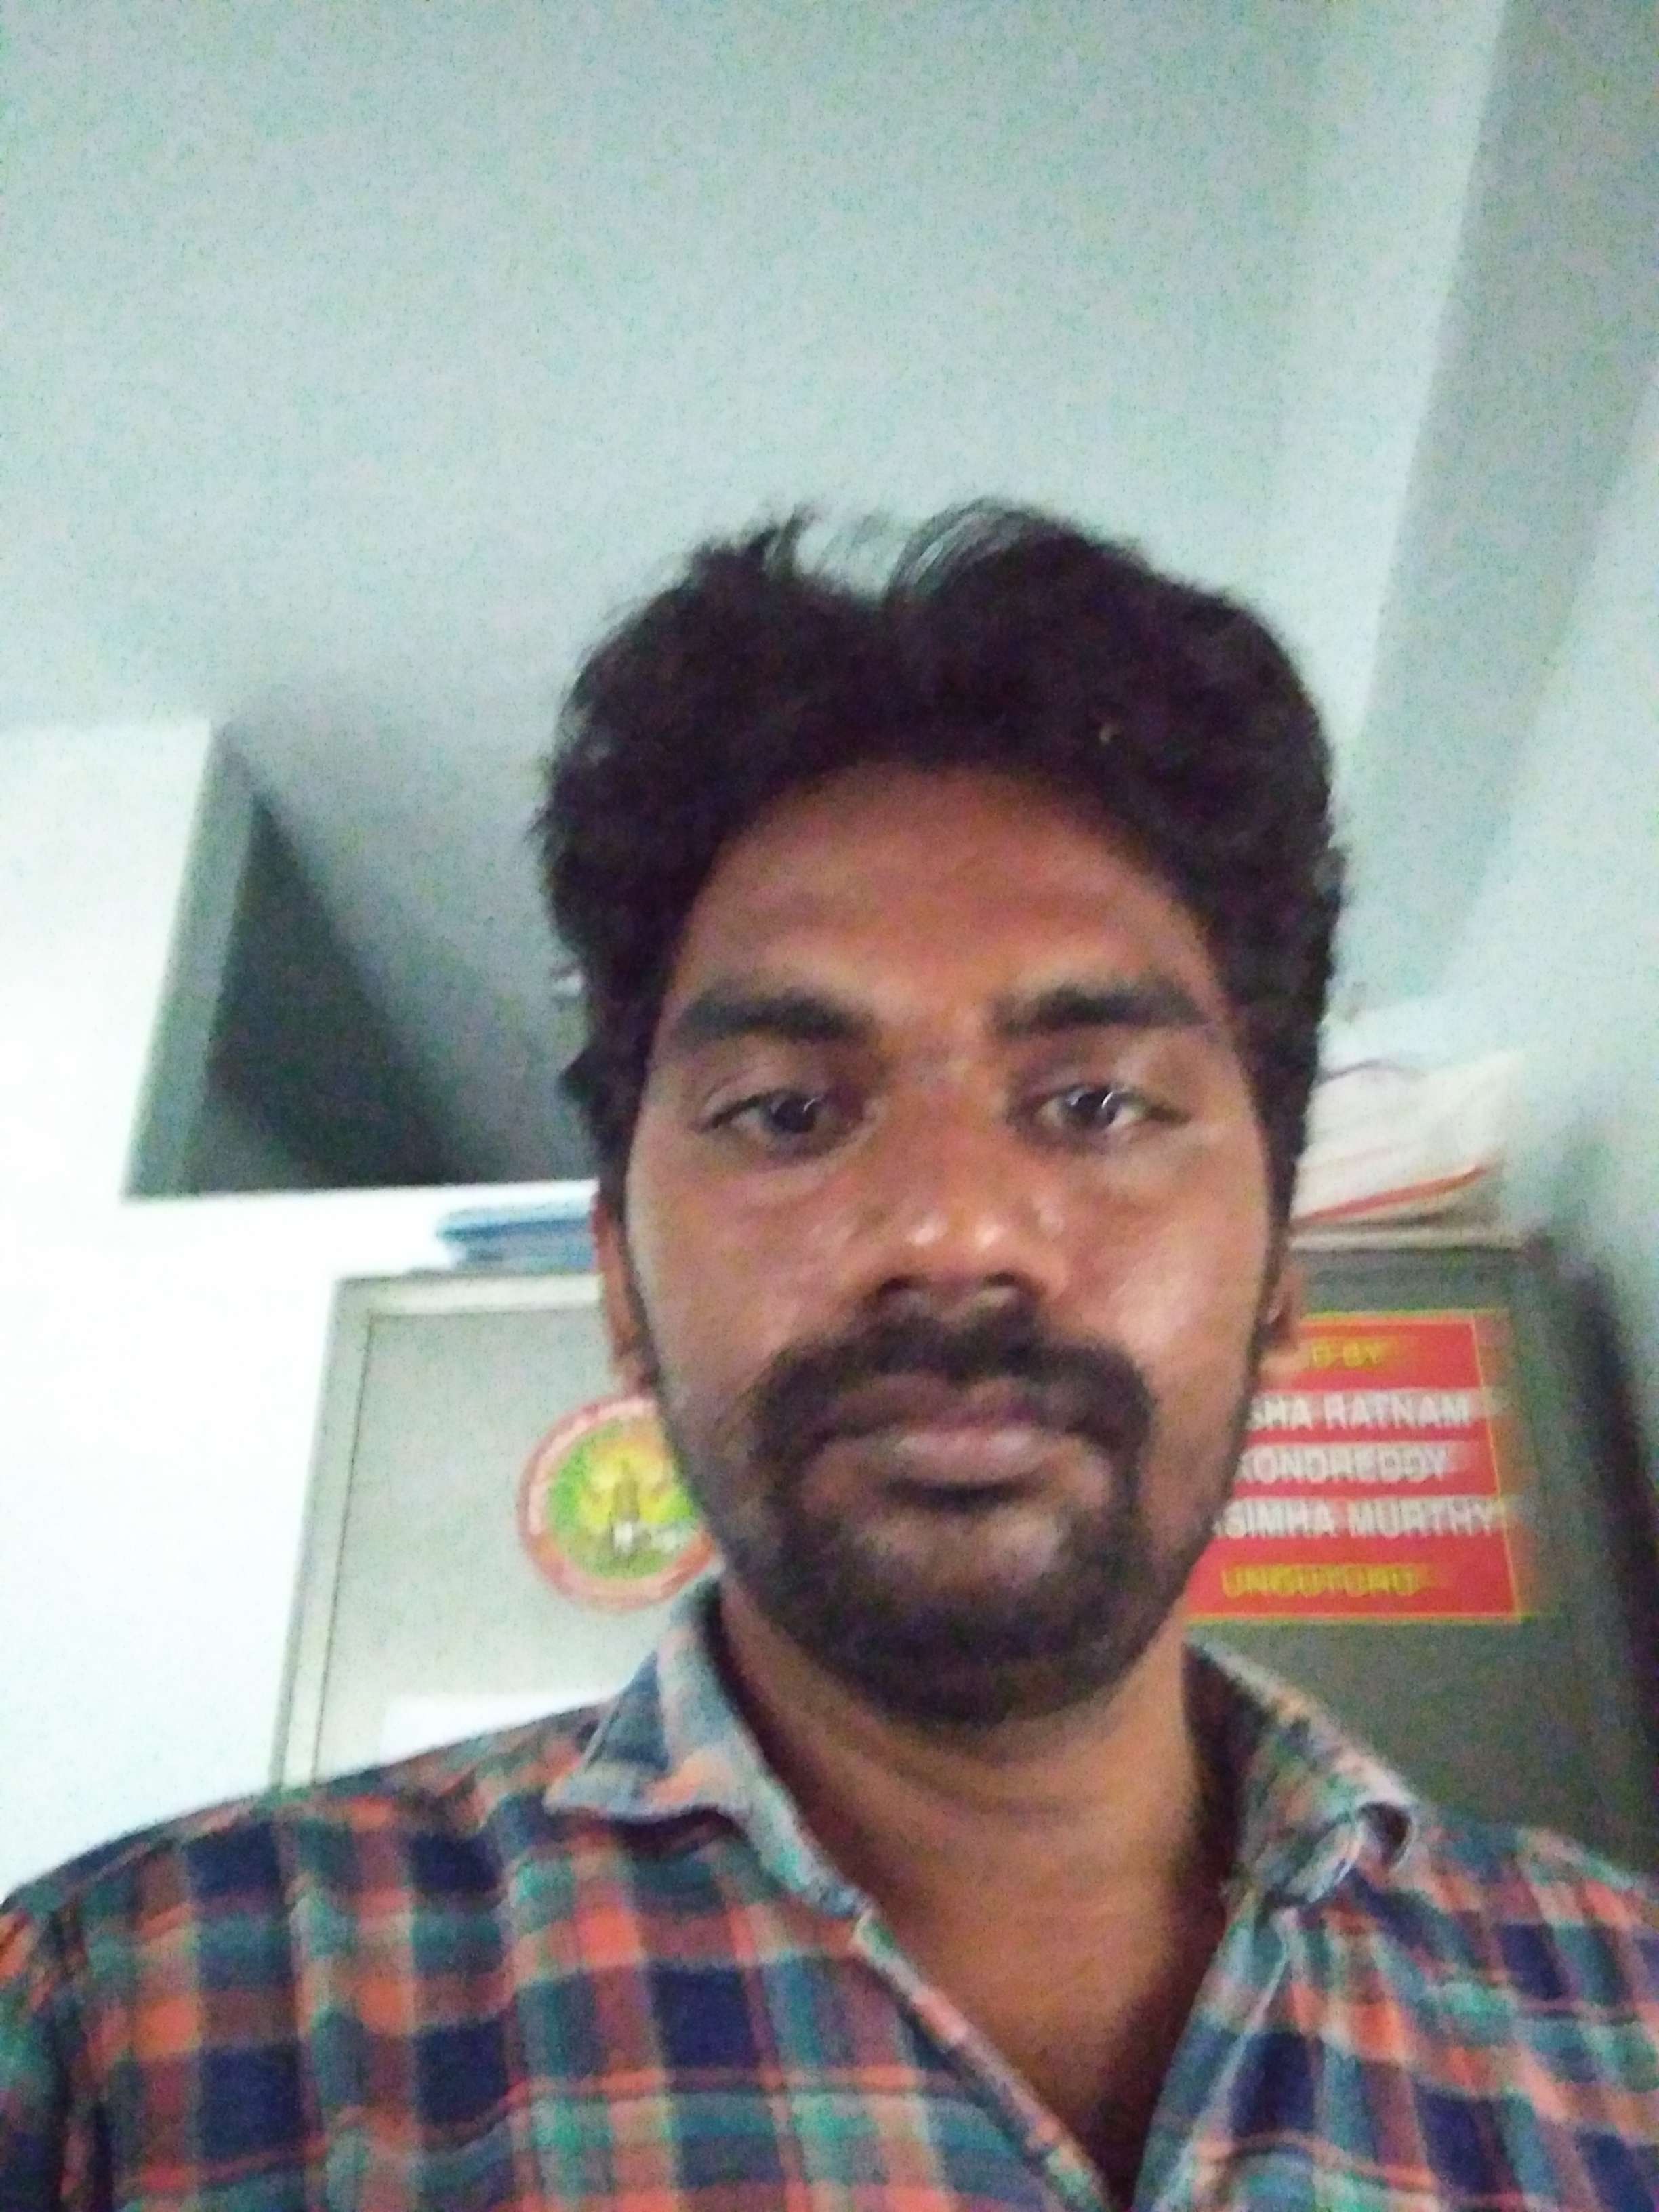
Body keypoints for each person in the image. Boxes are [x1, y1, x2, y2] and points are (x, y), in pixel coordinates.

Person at [3, 508, 1656, 2209]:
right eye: (788, 1113)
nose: (951, 1230)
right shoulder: (126, 2044)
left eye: (1097, 1102)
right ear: (622, 1287)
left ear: (1280, 1278)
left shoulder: (1623, 2033)